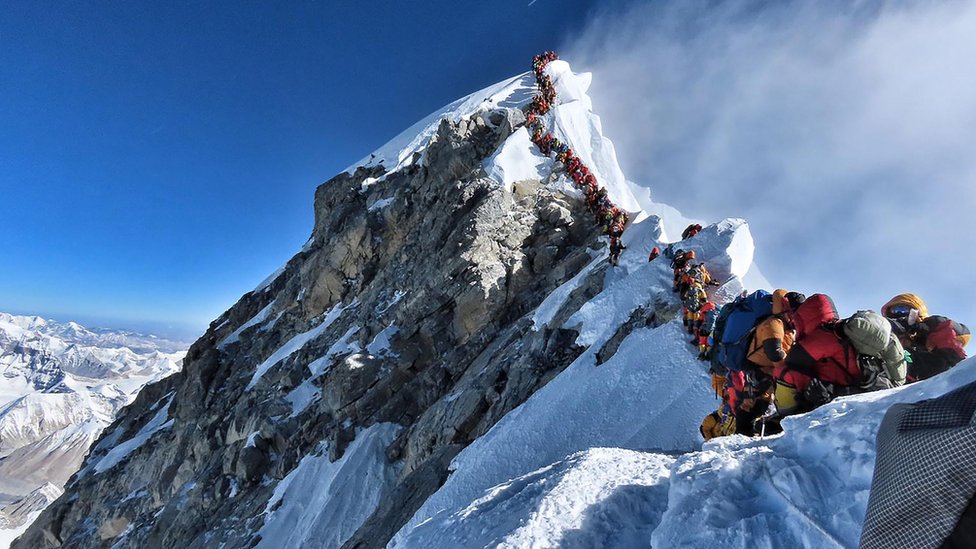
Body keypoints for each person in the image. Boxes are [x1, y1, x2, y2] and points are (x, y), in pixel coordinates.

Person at [882, 293, 970, 382]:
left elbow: (956, 355)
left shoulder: (929, 334)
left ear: (916, 313)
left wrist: (934, 324)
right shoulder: (886, 339)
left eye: (902, 309)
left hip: (937, 381)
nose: (898, 314)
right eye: (894, 311)